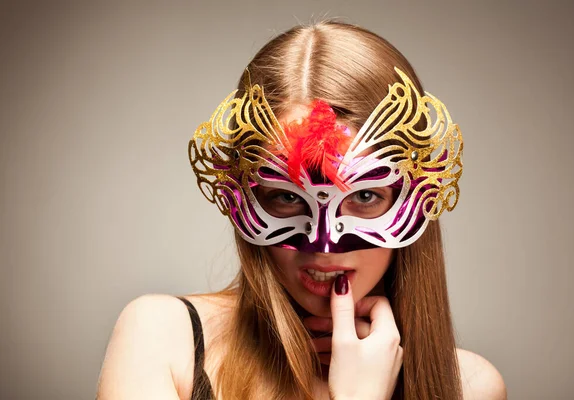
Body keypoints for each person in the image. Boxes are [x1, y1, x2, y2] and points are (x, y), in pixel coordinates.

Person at [97, 21, 507, 400]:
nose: (323, 244)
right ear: (242, 194)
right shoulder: (161, 339)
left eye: (364, 197)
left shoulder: (471, 388)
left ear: (419, 192)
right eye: (288, 198)